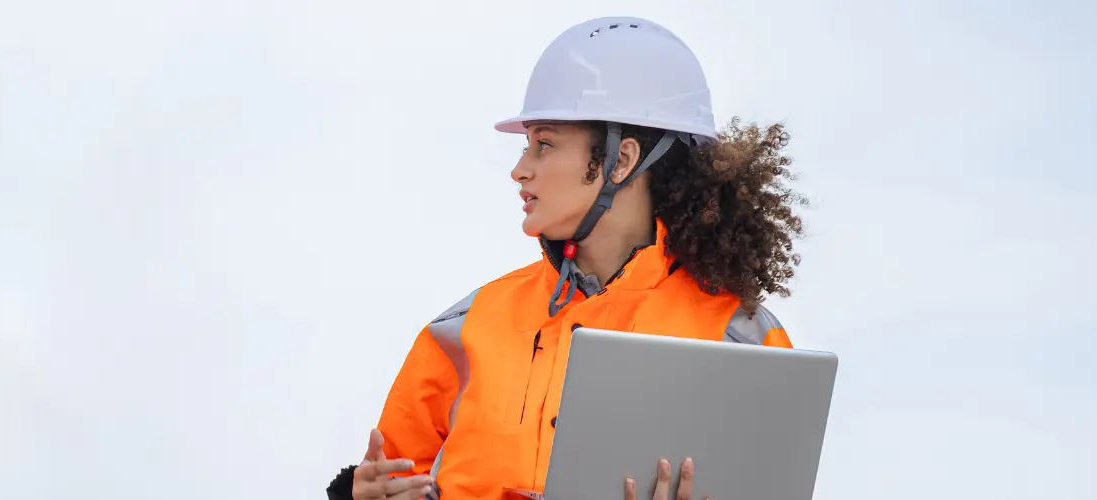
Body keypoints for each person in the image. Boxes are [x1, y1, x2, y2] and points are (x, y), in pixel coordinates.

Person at [326, 16, 806, 500]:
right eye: (526, 146)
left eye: (545, 145)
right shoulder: (462, 328)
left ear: (621, 160)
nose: (519, 170)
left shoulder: (741, 340)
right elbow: (396, 478)